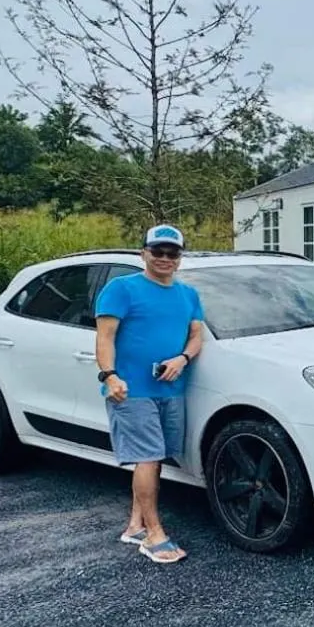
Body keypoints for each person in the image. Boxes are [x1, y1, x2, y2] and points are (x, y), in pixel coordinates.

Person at [94, 224, 205, 565]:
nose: (165, 258)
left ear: (180, 259)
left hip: (171, 388)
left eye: (172, 253)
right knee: (148, 456)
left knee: (155, 456)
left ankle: (134, 526)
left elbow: (196, 336)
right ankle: (154, 535)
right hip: (131, 390)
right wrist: (110, 376)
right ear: (143, 253)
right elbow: (105, 337)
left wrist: (182, 358)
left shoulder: (188, 295)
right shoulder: (122, 289)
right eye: (158, 251)